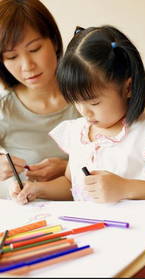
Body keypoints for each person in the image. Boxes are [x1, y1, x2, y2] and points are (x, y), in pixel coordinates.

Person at [10, 25, 145, 204]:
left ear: (128, 88)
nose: (84, 111)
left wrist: (125, 187)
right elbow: (71, 184)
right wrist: (39, 189)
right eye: (76, 101)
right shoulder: (78, 132)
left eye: (94, 102)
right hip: (93, 228)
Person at [0, 0, 80, 198]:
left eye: (34, 49)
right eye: (11, 57)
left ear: (53, 41)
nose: (27, 66)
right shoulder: (4, 108)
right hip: (30, 215)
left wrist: (67, 168)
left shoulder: (87, 96)